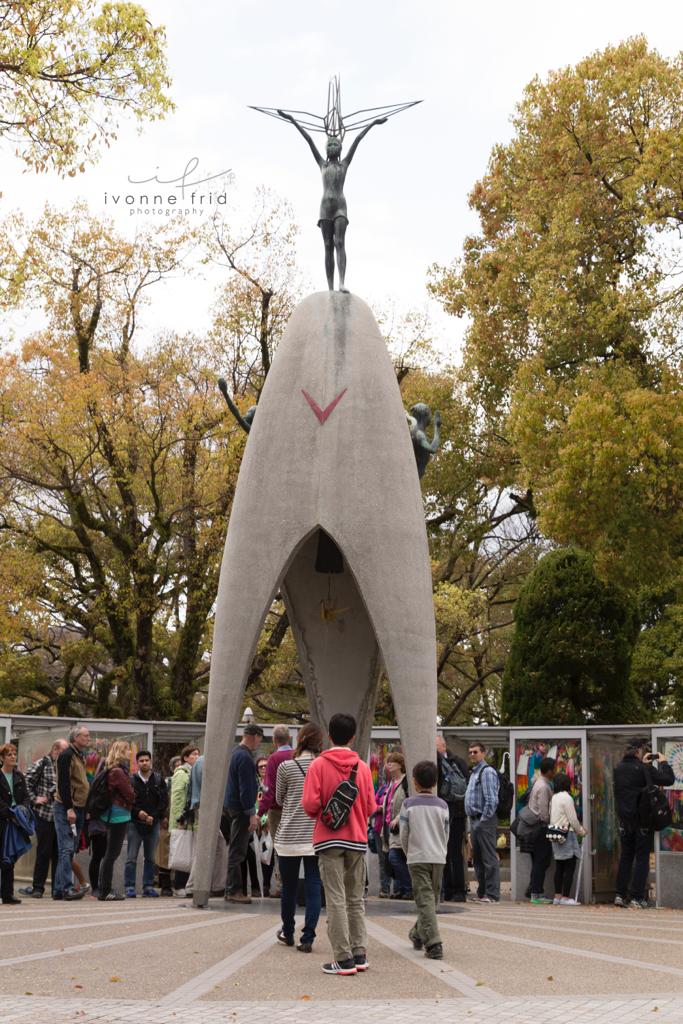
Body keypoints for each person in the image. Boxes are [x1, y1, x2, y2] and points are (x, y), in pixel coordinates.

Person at [276, 108, 387, 292]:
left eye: (336, 144)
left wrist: (373, 123)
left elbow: (358, 139)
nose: (333, 146)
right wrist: (292, 120)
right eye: (330, 144)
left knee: (340, 243)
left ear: (341, 148)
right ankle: (330, 288)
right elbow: (309, 140)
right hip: (325, 208)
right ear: (326, 149)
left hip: (340, 207)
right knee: (328, 246)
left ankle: (342, 283)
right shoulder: (322, 164)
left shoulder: (344, 164)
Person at [302, 712, 375, 976]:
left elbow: (310, 804)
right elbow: (370, 806)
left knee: (335, 897)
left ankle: (342, 958)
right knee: (356, 898)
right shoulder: (363, 768)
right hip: (356, 838)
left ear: (329, 736)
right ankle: (360, 953)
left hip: (328, 838)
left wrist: (324, 813)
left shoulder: (318, 765)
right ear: (353, 737)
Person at [274, 722, 324, 952]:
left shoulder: (286, 766)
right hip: (315, 834)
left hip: (288, 836)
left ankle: (288, 930)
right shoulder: (324, 766)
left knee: (289, 887)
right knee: (314, 885)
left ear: (300, 739)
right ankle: (308, 937)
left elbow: (279, 799)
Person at [614, 739, 674, 909]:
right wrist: (662, 762)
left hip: (624, 821)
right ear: (639, 751)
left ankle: (620, 894)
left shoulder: (618, 769)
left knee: (626, 857)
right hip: (642, 821)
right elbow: (668, 779)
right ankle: (637, 897)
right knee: (641, 859)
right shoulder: (644, 769)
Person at [400, 759, 450, 960]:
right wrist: (441, 850)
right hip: (438, 856)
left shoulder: (408, 804)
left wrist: (408, 852)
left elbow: (404, 833)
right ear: (435, 782)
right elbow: (446, 833)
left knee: (425, 899)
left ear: (414, 781)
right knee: (431, 899)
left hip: (417, 856)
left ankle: (423, 937)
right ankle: (430, 940)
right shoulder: (443, 805)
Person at [19, 738, 69, 898]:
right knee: (44, 851)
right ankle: (38, 888)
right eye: (63, 751)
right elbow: (25, 781)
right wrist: (35, 799)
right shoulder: (42, 763)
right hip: (45, 814)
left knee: (58, 852)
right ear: (56, 750)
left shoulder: (64, 765)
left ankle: (57, 888)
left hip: (61, 816)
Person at [223, 723, 264, 904]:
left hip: (233, 807)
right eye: (259, 740)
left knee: (236, 849)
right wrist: (251, 813)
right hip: (241, 809)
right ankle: (234, 890)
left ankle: (231, 889)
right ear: (254, 736)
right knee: (238, 851)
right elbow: (246, 789)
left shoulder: (234, 753)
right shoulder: (245, 757)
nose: (258, 744)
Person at [53, 724, 91, 901]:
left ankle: (59, 889)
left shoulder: (79, 755)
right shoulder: (66, 755)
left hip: (80, 808)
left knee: (70, 849)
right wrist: (69, 808)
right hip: (66, 807)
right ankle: (66, 888)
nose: (88, 738)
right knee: (66, 848)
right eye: (85, 735)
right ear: (75, 738)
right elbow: (64, 783)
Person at [124, 749, 169, 898]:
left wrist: (154, 817)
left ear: (151, 762)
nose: (144, 763)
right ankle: (129, 886)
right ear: (137, 763)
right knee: (131, 857)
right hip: (134, 824)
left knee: (150, 857)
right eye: (141, 761)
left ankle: (148, 886)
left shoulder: (158, 779)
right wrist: (139, 814)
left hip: (153, 824)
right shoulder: (131, 780)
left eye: (147, 760)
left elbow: (163, 801)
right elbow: (127, 802)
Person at [258, 724, 293, 897]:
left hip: (277, 811)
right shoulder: (297, 756)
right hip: (295, 809)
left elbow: (268, 788)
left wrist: (260, 812)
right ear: (289, 739)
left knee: (279, 848)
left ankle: (281, 885)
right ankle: (295, 883)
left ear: (274, 740)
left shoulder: (273, 759)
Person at [97, 740, 135, 901]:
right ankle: (105, 890)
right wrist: (133, 793)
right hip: (118, 814)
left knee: (110, 853)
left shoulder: (112, 769)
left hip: (114, 813)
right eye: (127, 750)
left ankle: (104, 889)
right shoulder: (118, 772)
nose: (130, 753)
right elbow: (130, 794)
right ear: (121, 752)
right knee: (112, 854)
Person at [464, 740, 500, 904]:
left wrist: (483, 820)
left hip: (483, 820)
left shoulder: (487, 772)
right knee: (477, 859)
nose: (472, 754)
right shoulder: (474, 773)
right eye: (470, 752)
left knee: (488, 858)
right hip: (474, 820)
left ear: (483, 753)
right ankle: (482, 892)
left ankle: (492, 895)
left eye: (475, 752)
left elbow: (492, 800)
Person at [436, 734, 469, 902]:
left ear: (442, 746)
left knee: (453, 852)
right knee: (448, 852)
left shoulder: (449, 762)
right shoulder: (457, 762)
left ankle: (457, 889)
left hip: (454, 814)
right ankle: (451, 889)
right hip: (451, 813)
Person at [0, 742, 31, 904]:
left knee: (10, 856)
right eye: (9, 754)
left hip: (15, 822)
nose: (13, 757)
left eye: (14, 754)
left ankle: (7, 894)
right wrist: (9, 813)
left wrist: (23, 810)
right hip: (3, 819)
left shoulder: (19, 776)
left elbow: (26, 797)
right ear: (2, 758)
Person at [549, 772, 587, 905]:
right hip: (567, 833)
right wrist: (582, 831)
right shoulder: (567, 798)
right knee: (570, 866)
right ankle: (566, 897)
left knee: (559, 867)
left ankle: (557, 896)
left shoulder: (554, 797)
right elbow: (573, 819)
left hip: (555, 833)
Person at [169, 744, 200, 896]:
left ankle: (186, 884)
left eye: (198, 754)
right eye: (193, 754)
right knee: (183, 851)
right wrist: (178, 817)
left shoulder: (194, 771)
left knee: (189, 852)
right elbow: (177, 797)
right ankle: (179, 885)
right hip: (183, 819)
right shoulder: (181, 772)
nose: (196, 756)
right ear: (186, 757)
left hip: (191, 819)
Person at [527, 756, 556, 904]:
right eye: (554, 770)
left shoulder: (538, 782)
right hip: (541, 828)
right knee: (541, 861)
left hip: (534, 828)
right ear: (549, 771)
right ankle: (536, 893)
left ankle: (533, 889)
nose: (555, 773)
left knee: (538, 861)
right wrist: (552, 822)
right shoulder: (544, 787)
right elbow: (544, 812)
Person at [383, 752, 412, 899]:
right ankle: (402, 888)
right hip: (390, 828)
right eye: (388, 762)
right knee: (395, 858)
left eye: (391, 762)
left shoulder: (406, 782)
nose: (388, 765)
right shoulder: (390, 783)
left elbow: (409, 802)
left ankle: (409, 888)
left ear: (400, 765)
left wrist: (399, 816)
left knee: (395, 857)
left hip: (402, 826)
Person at [157, 755, 181, 896]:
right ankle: (165, 886)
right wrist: (163, 817)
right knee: (164, 854)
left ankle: (178, 884)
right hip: (166, 822)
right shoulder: (167, 782)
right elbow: (161, 800)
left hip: (180, 823)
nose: (179, 767)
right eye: (176, 765)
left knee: (180, 852)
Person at [370, 764, 391, 897]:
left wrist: (379, 807)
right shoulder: (383, 787)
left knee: (392, 858)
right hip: (379, 826)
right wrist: (377, 808)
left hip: (390, 826)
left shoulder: (394, 787)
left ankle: (400, 886)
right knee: (382, 859)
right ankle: (385, 887)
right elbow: (373, 804)